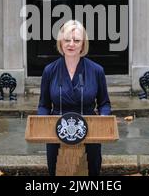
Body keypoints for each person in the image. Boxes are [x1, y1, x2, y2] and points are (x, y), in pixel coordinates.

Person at [37, 20, 111, 176]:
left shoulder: (97, 70)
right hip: (56, 133)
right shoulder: (49, 71)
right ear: (60, 42)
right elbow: (44, 105)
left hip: (90, 132)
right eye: (67, 40)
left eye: (77, 40)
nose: (71, 44)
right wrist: (42, 122)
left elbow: (104, 103)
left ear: (83, 44)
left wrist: (103, 118)